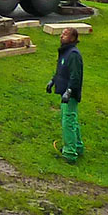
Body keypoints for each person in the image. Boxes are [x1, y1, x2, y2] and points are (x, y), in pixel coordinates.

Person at [46, 27, 84, 163]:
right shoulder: (65, 52)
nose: (62, 36)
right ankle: (78, 147)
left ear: (73, 38)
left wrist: (69, 92)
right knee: (71, 119)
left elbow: (75, 76)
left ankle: (70, 153)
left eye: (65, 34)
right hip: (64, 92)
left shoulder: (73, 54)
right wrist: (52, 81)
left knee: (68, 122)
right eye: (62, 34)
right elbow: (61, 71)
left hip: (70, 95)